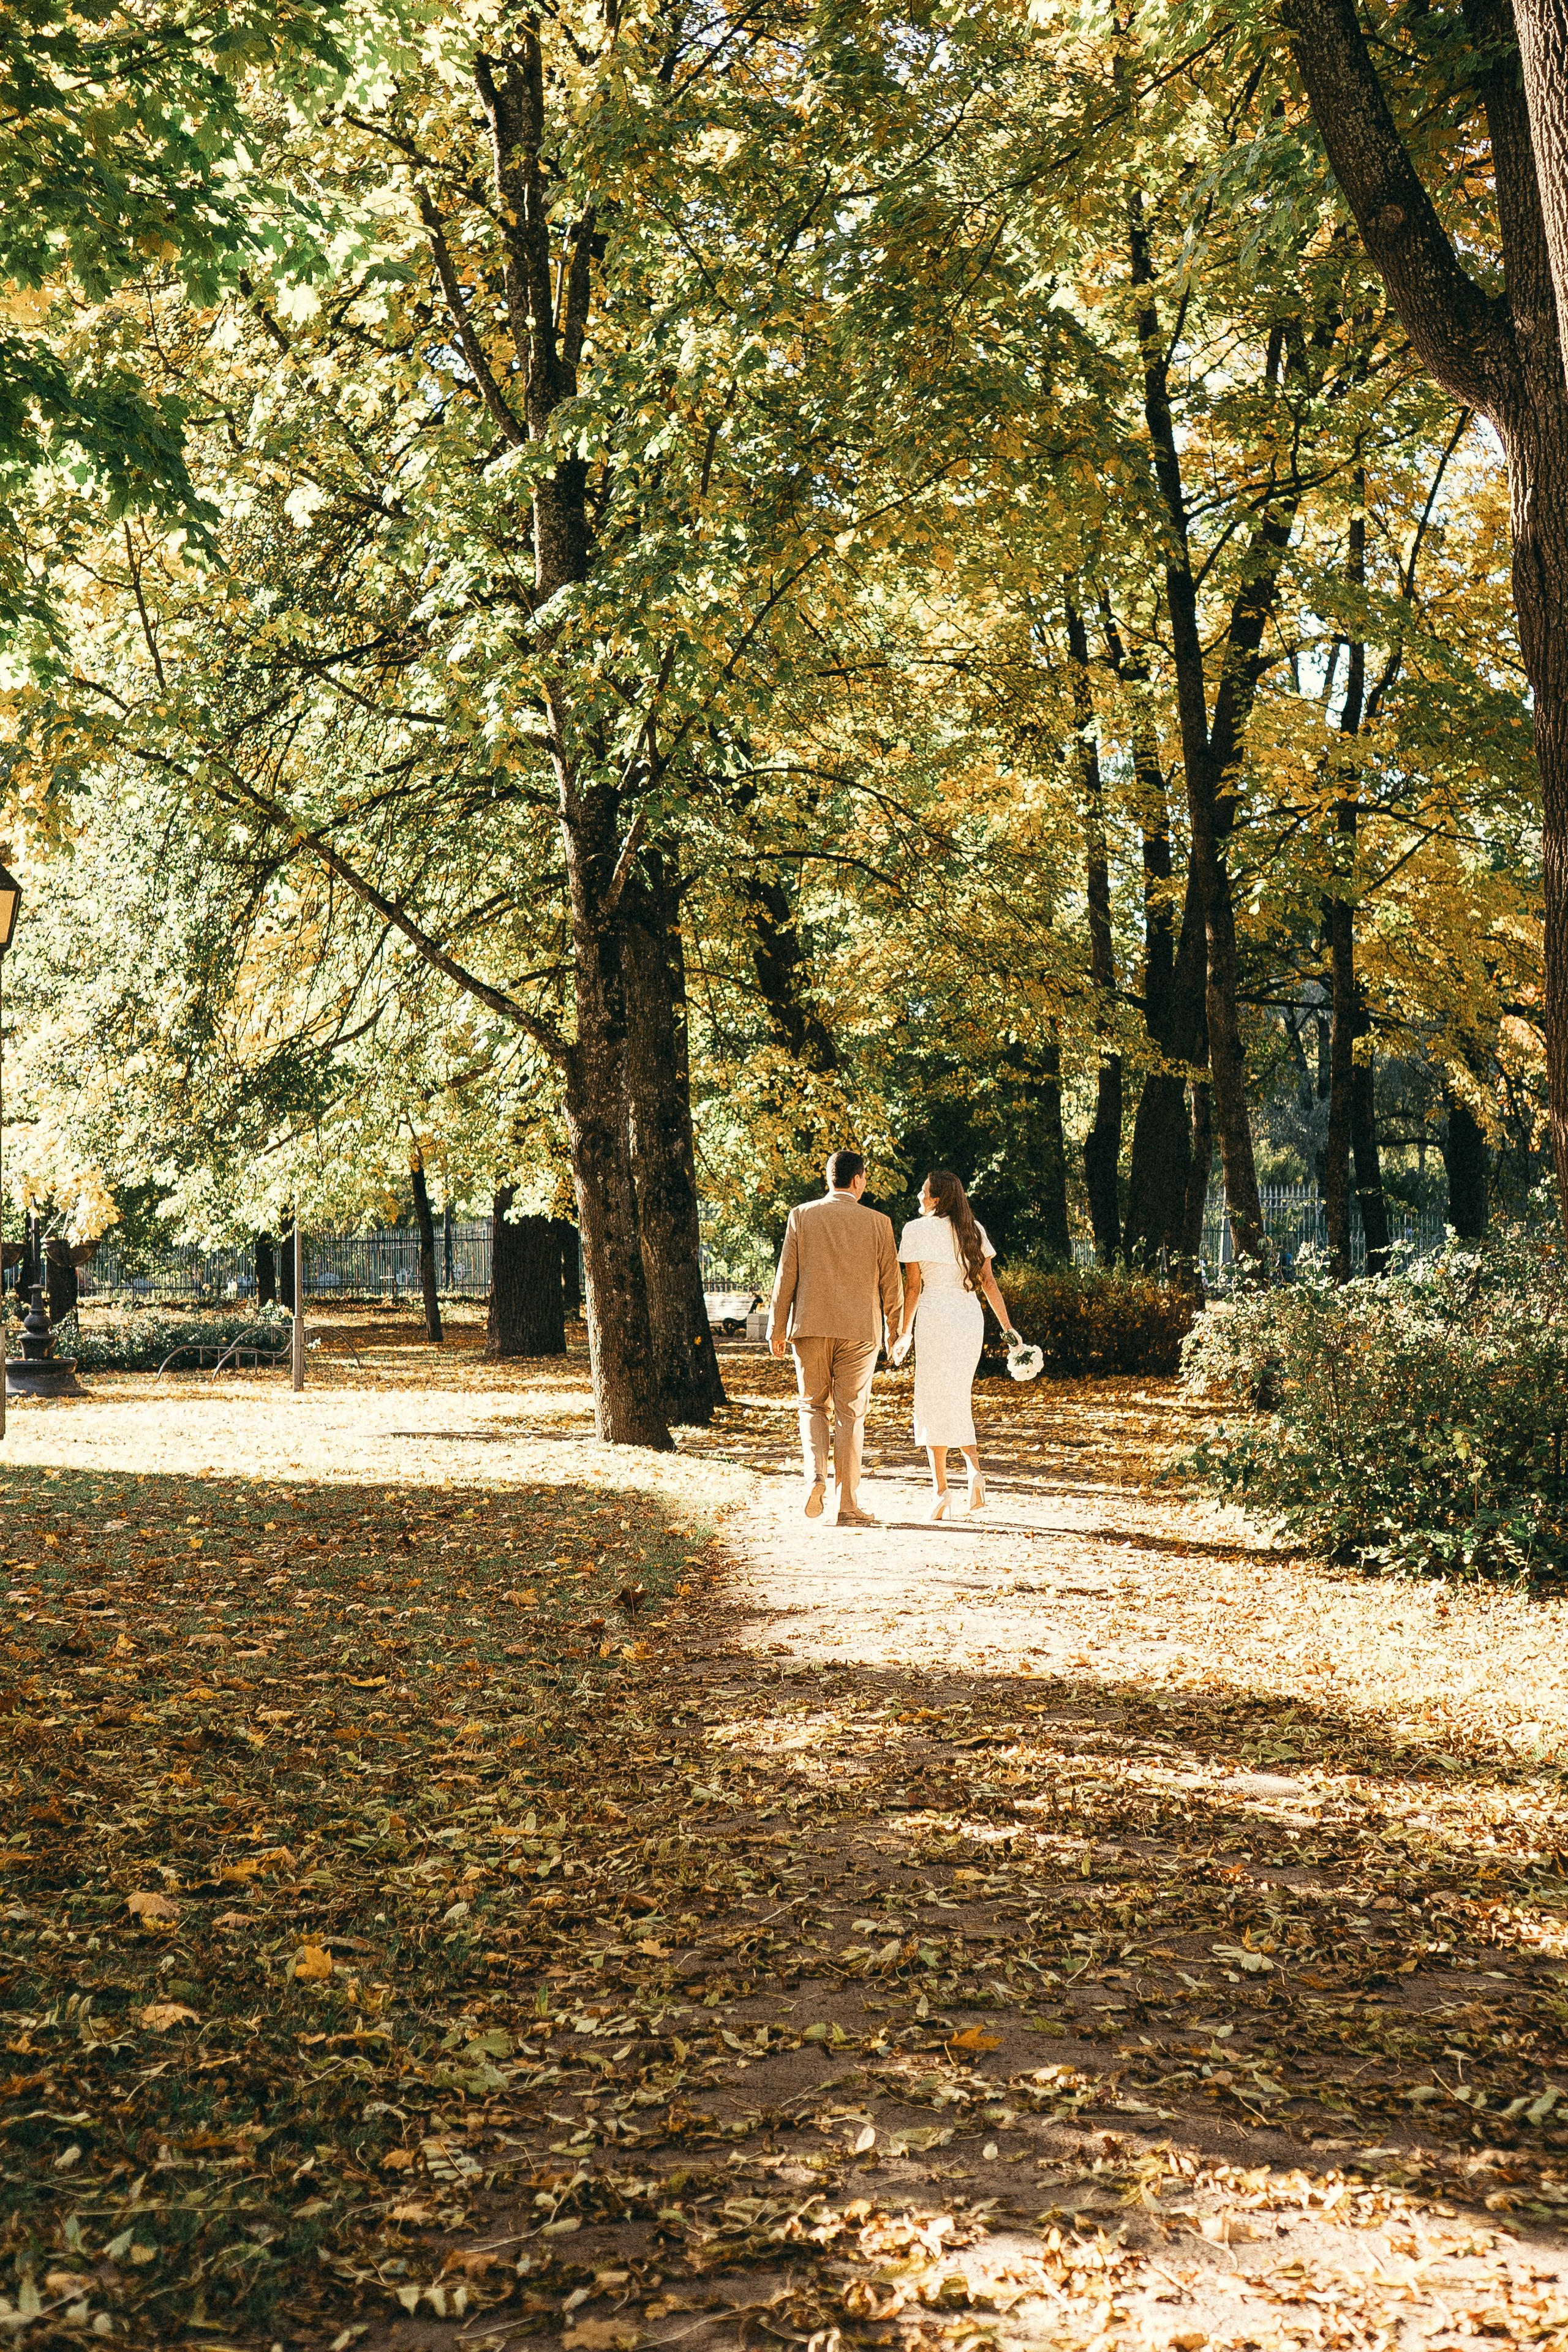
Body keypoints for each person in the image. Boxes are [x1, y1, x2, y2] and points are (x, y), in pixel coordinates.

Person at [767, 1148, 902, 1526]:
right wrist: (896, 1329)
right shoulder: (880, 1223)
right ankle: (847, 1504)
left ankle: (815, 1479)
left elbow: (786, 1276)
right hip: (861, 1330)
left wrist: (778, 1328)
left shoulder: (802, 1216)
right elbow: (892, 1282)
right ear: (858, 1180)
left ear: (829, 1179)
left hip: (810, 1325)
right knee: (850, 1413)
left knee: (812, 1405)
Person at [891, 1169, 1018, 1519]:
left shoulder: (915, 1230)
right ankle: (975, 1473)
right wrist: (1009, 1331)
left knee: (932, 1400)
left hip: (934, 1318)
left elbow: (913, 1288)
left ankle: (941, 1491)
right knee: (958, 1396)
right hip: (968, 1318)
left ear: (937, 1198)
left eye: (924, 1191)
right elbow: (990, 1285)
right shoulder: (973, 1230)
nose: (919, 1195)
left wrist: (904, 1333)